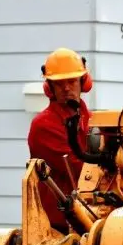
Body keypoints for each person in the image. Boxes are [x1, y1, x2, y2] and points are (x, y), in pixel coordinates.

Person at [27, 47, 94, 232]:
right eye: (59, 83)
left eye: (71, 81)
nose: (66, 88)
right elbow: (81, 170)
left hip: (90, 219)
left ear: (83, 82)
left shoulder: (91, 120)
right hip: (57, 227)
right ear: (50, 88)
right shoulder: (43, 125)